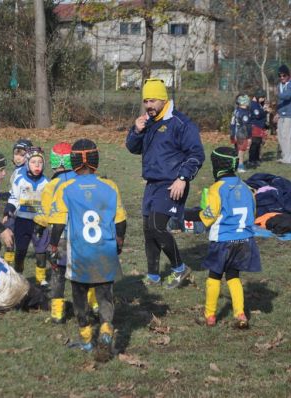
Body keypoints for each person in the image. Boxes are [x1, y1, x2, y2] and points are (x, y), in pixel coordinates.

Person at [48, 139, 127, 362]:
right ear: (96, 160)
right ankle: (105, 329)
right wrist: (119, 242)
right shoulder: (110, 186)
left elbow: (58, 224)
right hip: (104, 252)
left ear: (73, 161)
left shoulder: (66, 188)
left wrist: (53, 246)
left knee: (80, 299)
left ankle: (85, 340)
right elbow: (120, 221)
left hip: (79, 255)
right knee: (104, 295)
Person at [126, 78, 205, 289]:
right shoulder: (149, 122)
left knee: (157, 226)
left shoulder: (180, 123)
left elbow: (196, 154)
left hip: (172, 184)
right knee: (148, 230)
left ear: (163, 99)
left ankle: (180, 269)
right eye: (145, 101)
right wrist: (136, 130)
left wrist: (183, 178)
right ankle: (153, 276)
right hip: (152, 183)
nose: (148, 106)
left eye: (152, 101)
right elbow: (133, 148)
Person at [184, 147, 262, 328]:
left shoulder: (216, 188)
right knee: (234, 276)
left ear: (217, 165)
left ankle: (210, 315)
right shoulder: (247, 188)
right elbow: (253, 213)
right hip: (244, 241)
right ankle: (240, 314)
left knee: (214, 276)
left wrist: (189, 215)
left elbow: (208, 216)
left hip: (223, 241)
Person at [33, 142, 99, 323]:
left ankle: (57, 312)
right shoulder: (84, 181)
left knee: (58, 273)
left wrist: (38, 226)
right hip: (85, 235)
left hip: (60, 237)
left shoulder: (51, 185)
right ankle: (95, 305)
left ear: (54, 162)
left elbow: (45, 216)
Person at [3, 147, 50, 287]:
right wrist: (8, 211)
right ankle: (18, 274)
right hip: (22, 221)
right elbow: (13, 198)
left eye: (40, 162)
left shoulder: (46, 183)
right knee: (21, 251)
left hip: (39, 223)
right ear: (27, 164)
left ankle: (41, 279)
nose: (37, 165)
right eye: (33, 162)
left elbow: (49, 203)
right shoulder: (20, 179)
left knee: (41, 251)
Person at [0, 139, 33, 264]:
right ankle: (9, 261)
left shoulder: (24, 172)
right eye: (16, 153)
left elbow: (18, 194)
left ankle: (9, 262)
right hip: (16, 208)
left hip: (20, 210)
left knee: (9, 234)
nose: (18, 157)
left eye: (22, 155)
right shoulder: (18, 170)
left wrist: (0, 197)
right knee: (10, 234)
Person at [275, 64, 291, 164]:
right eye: (280, 76)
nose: (282, 78)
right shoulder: (279, 86)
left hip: (290, 114)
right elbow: (280, 101)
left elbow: (287, 96)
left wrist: (278, 94)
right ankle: (284, 156)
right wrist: (277, 113)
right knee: (280, 136)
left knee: (286, 136)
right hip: (281, 114)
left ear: (288, 75)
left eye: (284, 75)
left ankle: (288, 159)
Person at [248, 89, 270, 167]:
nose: (263, 99)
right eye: (262, 97)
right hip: (255, 127)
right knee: (254, 144)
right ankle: (251, 160)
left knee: (258, 144)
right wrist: (265, 111)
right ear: (257, 97)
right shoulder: (253, 104)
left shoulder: (258, 104)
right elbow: (257, 115)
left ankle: (256, 159)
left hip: (259, 127)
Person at [230, 94, 251, 173]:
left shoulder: (236, 110)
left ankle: (234, 165)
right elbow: (246, 125)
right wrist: (249, 137)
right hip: (241, 134)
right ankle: (240, 166)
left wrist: (232, 134)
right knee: (241, 150)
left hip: (234, 132)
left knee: (237, 150)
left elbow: (232, 123)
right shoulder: (244, 113)